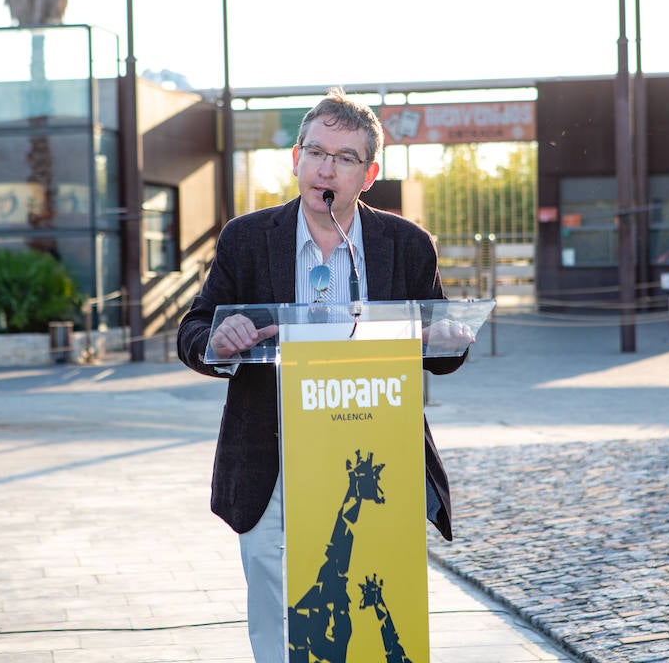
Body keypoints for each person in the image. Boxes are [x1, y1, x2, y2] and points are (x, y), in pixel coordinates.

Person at [177, 87, 472, 663]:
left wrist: (447, 338)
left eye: (344, 158)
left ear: (369, 174)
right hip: (274, 452)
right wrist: (218, 338)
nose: (325, 168)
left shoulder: (406, 245)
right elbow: (193, 331)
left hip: (373, 451)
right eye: (315, 152)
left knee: (371, 589)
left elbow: (438, 344)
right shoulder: (247, 237)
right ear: (295, 159)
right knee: (272, 592)